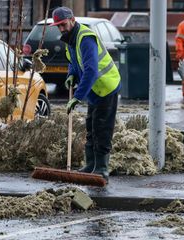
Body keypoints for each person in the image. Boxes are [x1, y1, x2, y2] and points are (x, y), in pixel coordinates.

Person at [50, 6, 121, 183]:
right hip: (94, 90)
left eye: (63, 24)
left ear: (72, 20)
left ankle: (102, 168)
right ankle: (90, 164)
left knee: (102, 128)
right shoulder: (70, 39)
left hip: (107, 86)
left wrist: (77, 97)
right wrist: (71, 75)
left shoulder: (85, 38)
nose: (61, 28)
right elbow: (74, 62)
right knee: (91, 126)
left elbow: (91, 71)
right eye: (58, 26)